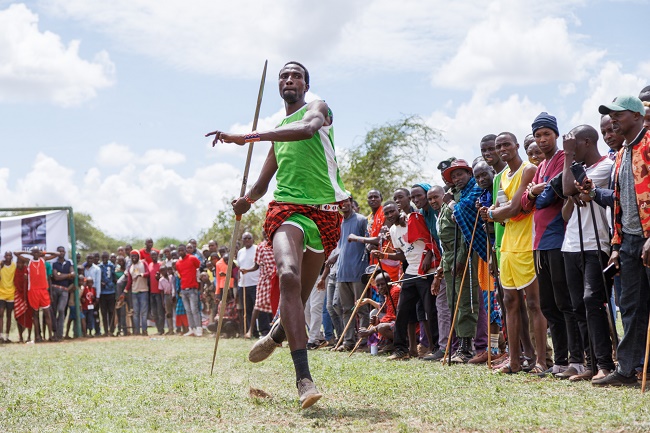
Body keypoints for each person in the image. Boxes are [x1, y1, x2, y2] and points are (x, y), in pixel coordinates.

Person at [207, 61, 348, 408]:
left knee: (298, 299)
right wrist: (247, 201)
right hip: (287, 208)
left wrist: (249, 136)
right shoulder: (278, 131)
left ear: (305, 84)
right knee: (287, 275)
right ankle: (304, 379)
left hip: (326, 212)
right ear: (279, 85)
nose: (289, 79)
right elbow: (263, 181)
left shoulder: (318, 109)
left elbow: (306, 130)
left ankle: (278, 332)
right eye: (284, 76)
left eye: (296, 75)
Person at [592, 95, 650, 386]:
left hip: (649, 238)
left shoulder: (649, 143)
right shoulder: (622, 152)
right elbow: (618, 202)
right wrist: (616, 247)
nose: (613, 119)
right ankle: (629, 369)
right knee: (630, 306)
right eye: (610, 115)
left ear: (638, 116)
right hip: (627, 240)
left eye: (619, 114)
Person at [522, 112, 583, 377]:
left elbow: (549, 197)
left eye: (547, 134)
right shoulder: (541, 166)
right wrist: (536, 191)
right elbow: (526, 202)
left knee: (565, 302)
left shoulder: (560, 160)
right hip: (539, 243)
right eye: (538, 136)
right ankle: (558, 361)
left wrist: (536, 191)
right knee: (547, 304)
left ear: (556, 135)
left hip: (559, 239)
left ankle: (577, 360)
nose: (542, 140)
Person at [482, 132, 547, 374]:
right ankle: (515, 360)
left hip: (527, 242)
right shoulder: (499, 176)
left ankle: (541, 360)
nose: (502, 149)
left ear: (517, 145)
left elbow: (514, 207)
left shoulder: (528, 170)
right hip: (506, 244)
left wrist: (493, 214)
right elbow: (501, 208)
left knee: (533, 303)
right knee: (509, 301)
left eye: (506, 144)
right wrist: (497, 212)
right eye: (499, 146)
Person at [560, 124, 615, 382]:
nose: (569, 148)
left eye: (574, 145)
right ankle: (591, 365)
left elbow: (571, 189)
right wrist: (570, 167)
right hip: (571, 243)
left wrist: (568, 156)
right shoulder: (576, 169)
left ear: (587, 142)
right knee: (578, 305)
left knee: (593, 300)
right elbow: (567, 194)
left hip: (596, 243)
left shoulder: (606, 166)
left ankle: (606, 363)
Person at [373, 200, 440, 360]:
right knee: (402, 311)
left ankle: (437, 348)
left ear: (398, 209)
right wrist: (384, 255)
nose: (389, 215)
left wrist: (428, 257)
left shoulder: (412, 219)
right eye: (386, 213)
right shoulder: (393, 230)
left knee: (430, 311)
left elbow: (429, 240)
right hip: (410, 272)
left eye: (392, 211)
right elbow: (402, 255)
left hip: (426, 271)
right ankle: (401, 350)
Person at [333, 197, 369, 351]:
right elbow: (341, 247)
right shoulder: (339, 223)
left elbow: (369, 241)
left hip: (358, 271)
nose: (344, 204)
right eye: (340, 202)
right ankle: (348, 342)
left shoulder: (361, 220)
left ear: (351, 202)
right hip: (342, 272)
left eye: (346, 201)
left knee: (361, 308)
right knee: (345, 308)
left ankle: (363, 342)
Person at [14, 248, 58, 342]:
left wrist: (44, 252)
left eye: (37, 252)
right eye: (34, 252)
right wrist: (28, 252)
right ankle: (38, 336)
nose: (36, 254)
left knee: (47, 313)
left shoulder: (43, 260)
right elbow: (16, 253)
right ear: (32, 253)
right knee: (35, 314)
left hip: (43, 290)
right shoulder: (28, 261)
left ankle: (50, 336)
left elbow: (56, 254)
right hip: (33, 290)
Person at [241, 234, 276, 339]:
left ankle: (276, 333)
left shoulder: (278, 244)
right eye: (264, 234)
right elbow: (256, 265)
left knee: (276, 306)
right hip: (264, 280)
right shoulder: (261, 247)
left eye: (268, 233)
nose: (267, 235)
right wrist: (247, 270)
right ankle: (250, 331)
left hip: (277, 278)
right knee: (258, 305)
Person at [237, 232, 263, 338]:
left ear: (252, 239)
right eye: (245, 238)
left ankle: (264, 331)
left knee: (258, 309)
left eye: (249, 238)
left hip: (256, 283)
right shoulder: (240, 252)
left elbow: (258, 265)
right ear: (242, 240)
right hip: (243, 284)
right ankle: (252, 332)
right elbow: (239, 266)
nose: (247, 240)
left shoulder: (257, 249)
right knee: (247, 309)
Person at [176, 244, 202, 336]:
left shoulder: (192, 258)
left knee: (194, 309)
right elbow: (180, 275)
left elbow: (199, 266)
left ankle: (199, 328)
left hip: (192, 288)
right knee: (188, 310)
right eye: (179, 251)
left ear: (185, 251)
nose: (181, 252)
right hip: (183, 289)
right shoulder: (178, 263)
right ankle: (191, 328)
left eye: (182, 250)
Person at [51, 246, 75, 341]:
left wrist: (62, 275)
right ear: (57, 253)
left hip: (65, 290)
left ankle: (60, 334)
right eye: (59, 251)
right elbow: (56, 277)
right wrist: (68, 275)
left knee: (61, 310)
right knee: (54, 311)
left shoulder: (69, 263)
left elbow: (73, 275)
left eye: (63, 251)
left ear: (65, 252)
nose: (61, 253)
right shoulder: (54, 263)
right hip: (55, 289)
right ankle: (54, 333)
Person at [123, 250, 150, 336]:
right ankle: (137, 331)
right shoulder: (130, 267)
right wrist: (125, 291)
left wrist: (141, 275)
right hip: (134, 291)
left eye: (135, 256)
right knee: (136, 312)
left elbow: (148, 273)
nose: (134, 258)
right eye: (132, 256)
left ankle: (144, 331)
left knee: (144, 312)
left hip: (143, 290)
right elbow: (129, 280)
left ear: (138, 256)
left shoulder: (143, 263)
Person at [13, 257, 32, 342]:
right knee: (18, 316)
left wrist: (26, 278)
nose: (19, 264)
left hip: (27, 296)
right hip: (18, 295)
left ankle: (29, 336)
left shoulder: (27, 271)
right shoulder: (15, 271)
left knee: (29, 316)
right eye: (18, 263)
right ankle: (20, 337)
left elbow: (31, 281)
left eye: (21, 263)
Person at [98, 251, 116, 337]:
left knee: (111, 311)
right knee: (103, 312)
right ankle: (105, 331)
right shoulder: (99, 267)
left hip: (111, 291)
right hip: (102, 293)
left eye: (106, 257)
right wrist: (101, 283)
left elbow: (114, 277)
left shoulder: (111, 266)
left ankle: (111, 330)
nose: (104, 259)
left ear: (108, 257)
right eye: (103, 258)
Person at [83, 253, 102, 336]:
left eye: (91, 259)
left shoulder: (97, 269)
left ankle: (97, 331)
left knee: (95, 313)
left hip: (94, 294)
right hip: (85, 295)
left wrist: (97, 296)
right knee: (86, 314)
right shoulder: (84, 268)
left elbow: (98, 283)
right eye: (88, 259)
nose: (90, 260)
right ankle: (86, 331)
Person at [0, 251, 16, 343]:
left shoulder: (14, 266)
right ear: (4, 256)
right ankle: (1, 336)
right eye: (7, 255)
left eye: (10, 255)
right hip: (1, 293)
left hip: (11, 293)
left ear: (12, 257)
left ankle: (7, 336)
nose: (8, 257)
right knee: (1, 314)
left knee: (9, 315)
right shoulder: (1, 264)